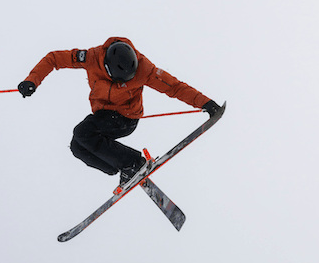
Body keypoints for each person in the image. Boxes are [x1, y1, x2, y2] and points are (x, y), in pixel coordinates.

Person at [18, 37, 221, 186]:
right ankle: (120, 169)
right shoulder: (90, 57)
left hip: (125, 119)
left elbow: (174, 87)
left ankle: (134, 163)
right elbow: (54, 59)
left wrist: (206, 103)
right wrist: (32, 80)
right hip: (102, 116)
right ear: (106, 67)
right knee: (77, 147)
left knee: (82, 132)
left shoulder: (145, 69)